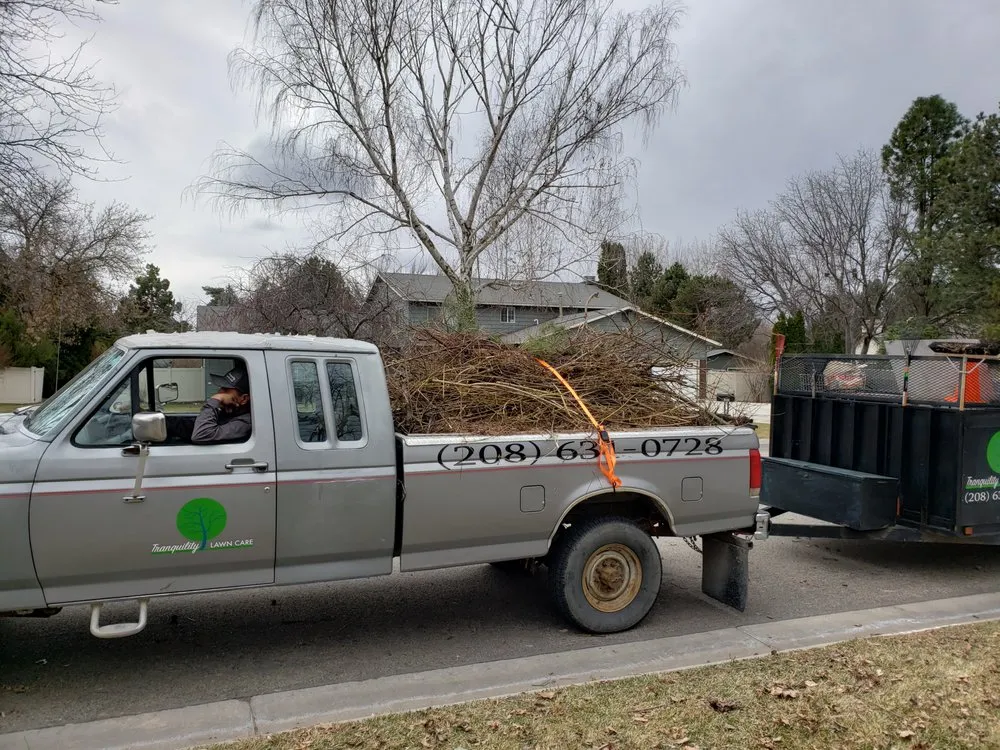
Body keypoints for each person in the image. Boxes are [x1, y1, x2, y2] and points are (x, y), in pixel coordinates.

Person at [191, 366, 252, 443]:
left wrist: (216, 399)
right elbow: (190, 426)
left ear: (244, 399)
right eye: (222, 387)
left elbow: (201, 434)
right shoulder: (230, 413)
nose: (220, 391)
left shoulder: (244, 424)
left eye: (226, 389)